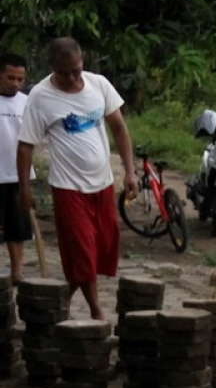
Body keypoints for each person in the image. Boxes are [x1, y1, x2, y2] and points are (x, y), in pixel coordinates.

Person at [17, 37, 137, 319]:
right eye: (64, 72)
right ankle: (97, 311)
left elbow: (119, 128)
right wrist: (25, 187)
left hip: (103, 183)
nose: (72, 78)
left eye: (76, 70)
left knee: (103, 246)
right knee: (82, 249)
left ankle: (59, 300)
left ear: (83, 62)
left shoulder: (99, 85)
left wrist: (131, 172)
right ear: (51, 68)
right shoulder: (40, 97)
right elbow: (25, 145)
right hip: (68, 187)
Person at [0, 53, 33, 284]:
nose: (15, 83)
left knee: (17, 226)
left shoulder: (27, 102)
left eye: (19, 79)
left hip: (18, 173)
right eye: (10, 77)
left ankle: (17, 271)